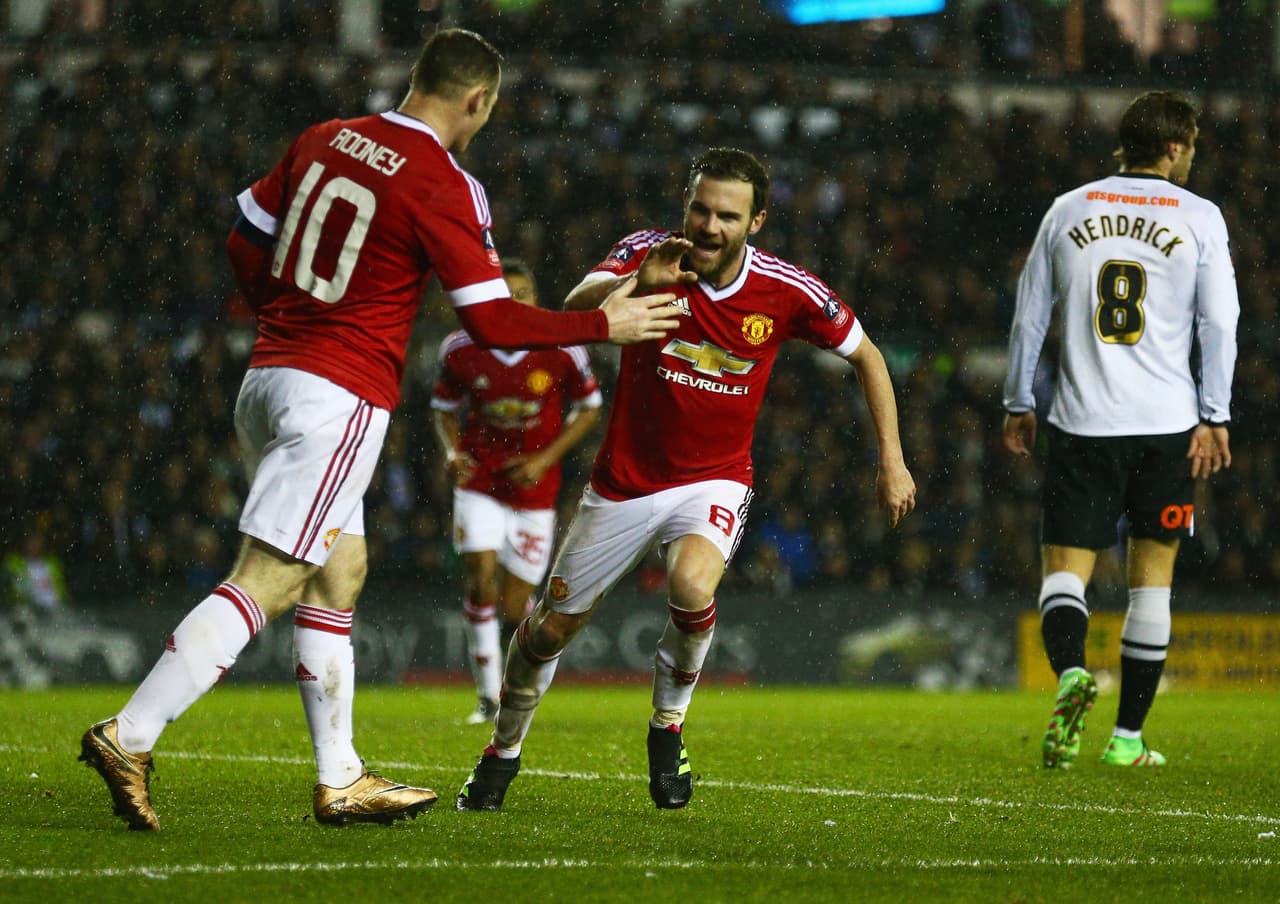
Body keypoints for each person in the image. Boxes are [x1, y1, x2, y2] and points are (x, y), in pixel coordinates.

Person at [78, 27, 682, 832]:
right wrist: (602, 327)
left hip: (268, 378)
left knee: (339, 574)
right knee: (275, 575)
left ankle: (342, 778)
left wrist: (288, 319)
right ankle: (132, 732)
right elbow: (493, 321)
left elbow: (243, 235)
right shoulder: (445, 181)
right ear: (479, 101)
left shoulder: (327, 137)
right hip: (339, 393)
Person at [456, 147, 917, 812]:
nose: (708, 225)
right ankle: (501, 753)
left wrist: (892, 460)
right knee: (548, 632)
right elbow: (574, 308)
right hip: (623, 483)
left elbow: (868, 356)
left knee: (692, 584)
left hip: (714, 479)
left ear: (755, 222)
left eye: (726, 215)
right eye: (699, 209)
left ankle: (667, 727)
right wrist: (638, 283)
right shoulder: (647, 250)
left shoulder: (787, 290)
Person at [1001, 91, 1238, 769]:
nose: (1192, 156)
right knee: (1152, 582)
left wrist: (1019, 399)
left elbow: (1029, 318)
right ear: (1173, 145)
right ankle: (1128, 738)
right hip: (1166, 427)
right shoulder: (1199, 217)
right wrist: (1215, 412)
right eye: (1191, 145)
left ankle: (1073, 671)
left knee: (1066, 574)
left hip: (1082, 422)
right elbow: (1219, 323)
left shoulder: (1069, 208)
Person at [431, 258, 603, 724]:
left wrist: (546, 459)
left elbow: (590, 407)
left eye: (522, 293)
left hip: (534, 490)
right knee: (479, 579)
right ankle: (488, 696)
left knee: (513, 606)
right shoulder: (461, 347)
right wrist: (451, 452)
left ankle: (518, 677)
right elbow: (443, 408)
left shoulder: (562, 345)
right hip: (480, 483)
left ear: (535, 299)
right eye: (505, 293)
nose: (514, 301)